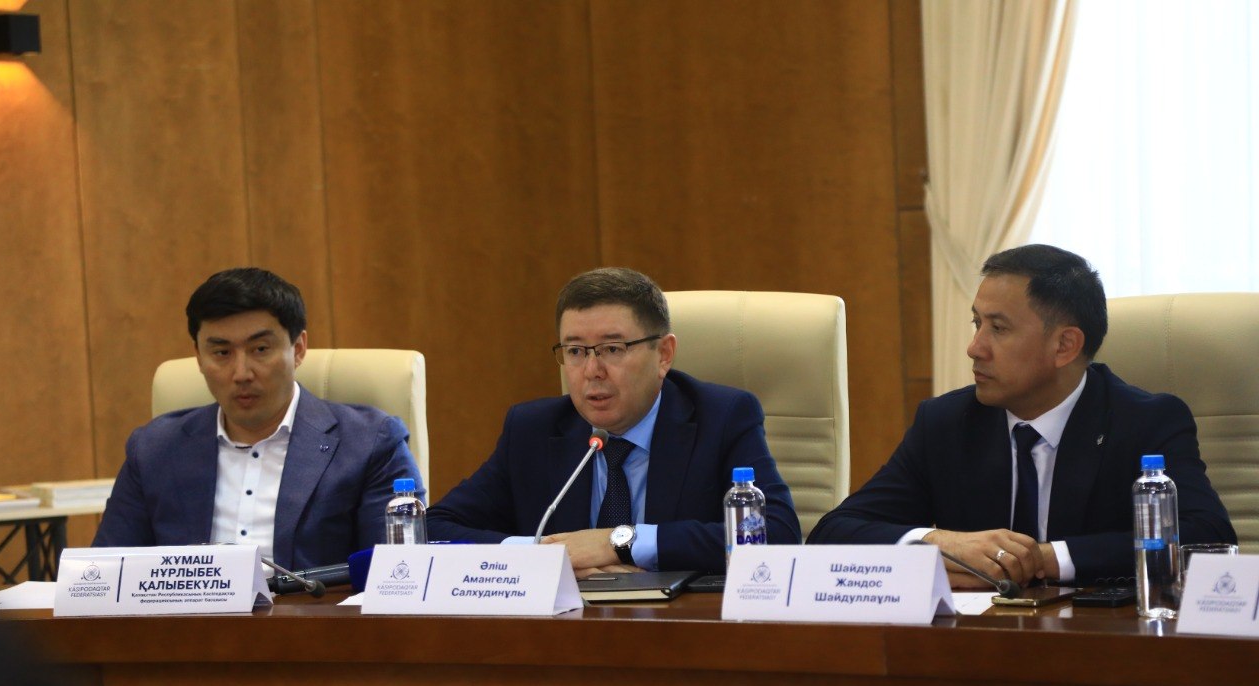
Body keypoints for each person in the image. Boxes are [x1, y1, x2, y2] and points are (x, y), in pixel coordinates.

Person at [807, 244, 1234, 588]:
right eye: (976, 323)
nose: (974, 347)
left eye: (998, 328)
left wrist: (1045, 559)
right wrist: (937, 542)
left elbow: (1207, 537)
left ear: (1065, 346)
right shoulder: (946, 422)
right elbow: (834, 532)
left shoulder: (1146, 422)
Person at [427, 267, 800, 577]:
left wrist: (619, 543)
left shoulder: (722, 417)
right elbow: (432, 529)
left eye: (612, 349)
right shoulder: (533, 429)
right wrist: (548, 554)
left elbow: (776, 533)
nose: (592, 370)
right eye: (576, 351)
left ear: (664, 354)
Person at [94, 267, 422, 570]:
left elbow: (398, 576)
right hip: (190, 616)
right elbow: (107, 574)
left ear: (298, 348)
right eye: (222, 353)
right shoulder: (154, 449)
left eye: (260, 349)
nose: (241, 373)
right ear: (198, 357)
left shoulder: (370, 442)